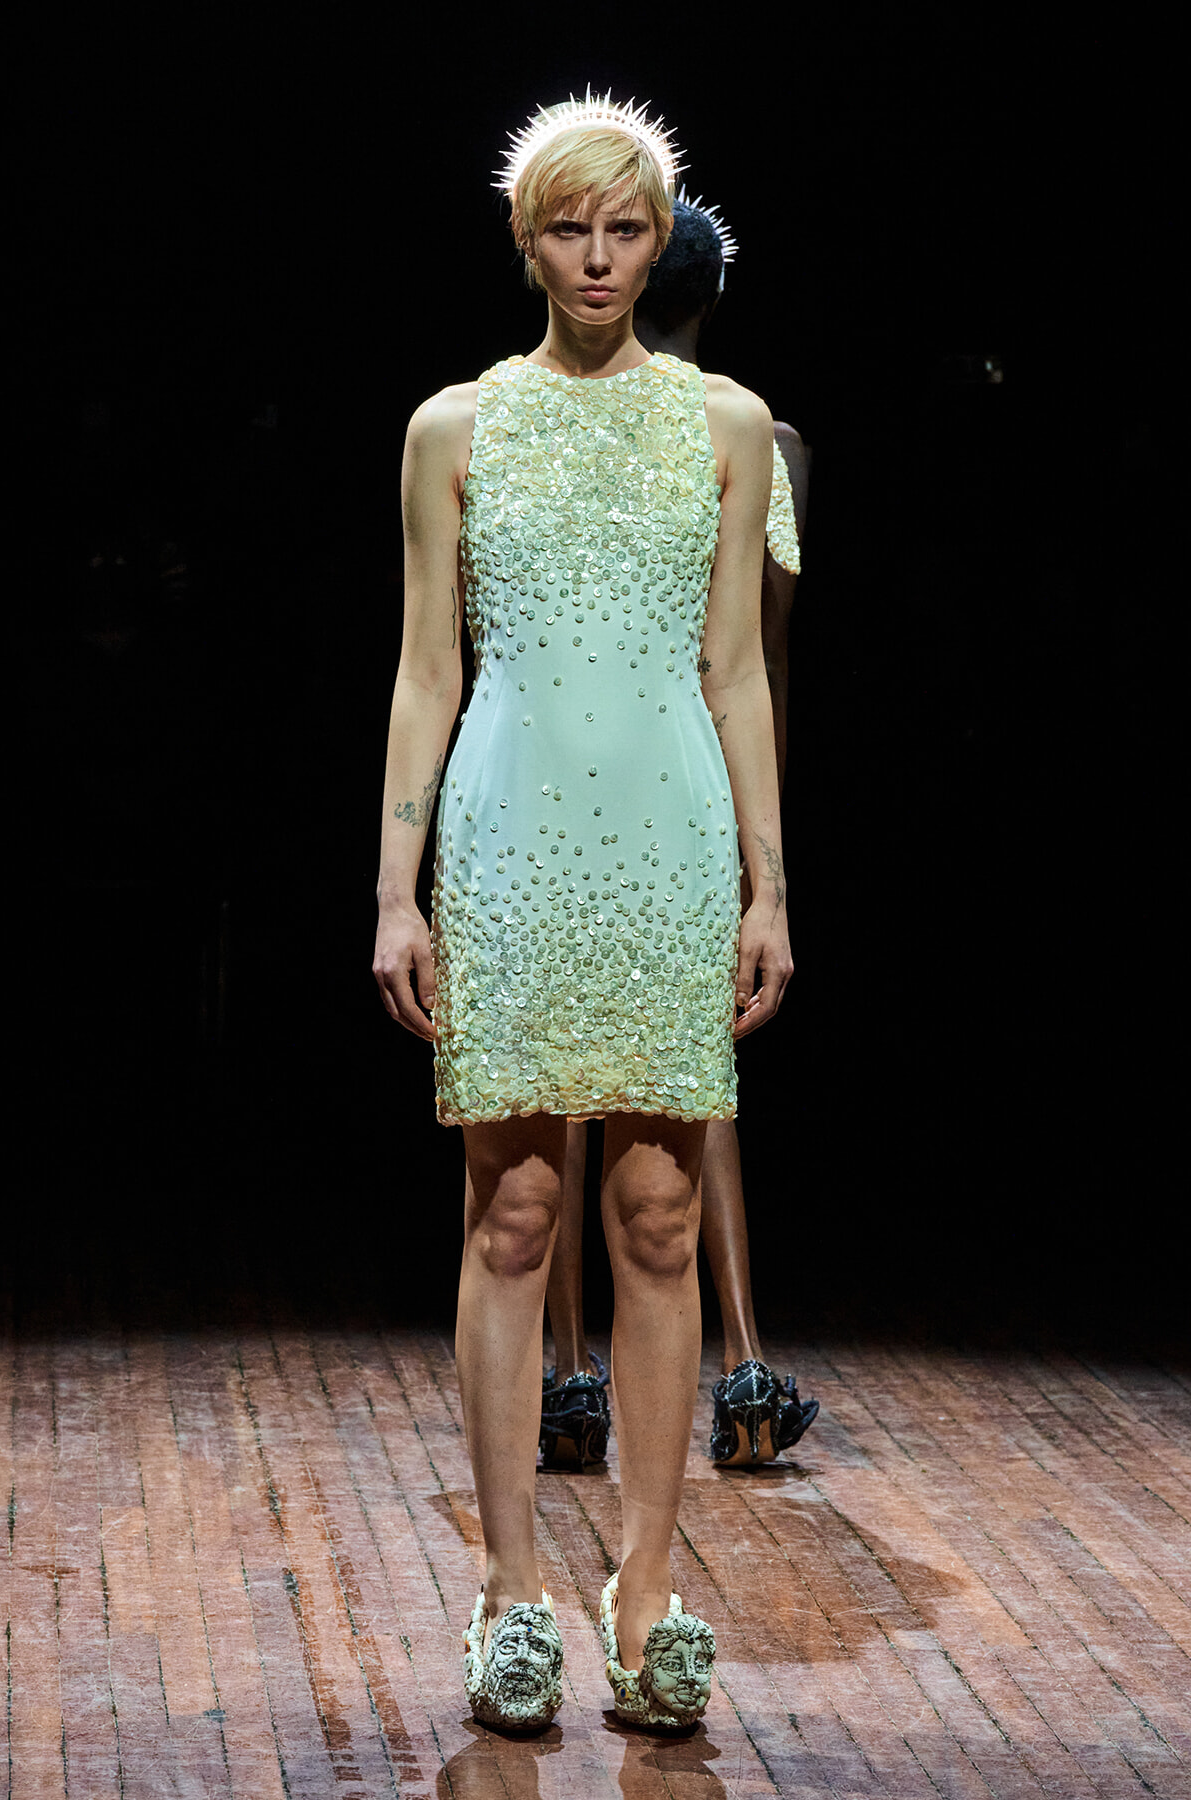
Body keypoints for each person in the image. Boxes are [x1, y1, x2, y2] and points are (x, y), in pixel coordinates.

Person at [373, 93, 792, 1734]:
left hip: (667, 843)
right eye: (570, 231)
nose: (601, 259)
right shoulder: (454, 429)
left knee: (661, 1224)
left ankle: (649, 1586)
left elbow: (737, 668)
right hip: (510, 837)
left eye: (625, 231)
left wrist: (770, 878)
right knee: (517, 1218)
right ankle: (510, 1590)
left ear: (658, 238)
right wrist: (392, 889)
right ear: (527, 241)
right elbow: (426, 667)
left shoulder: (728, 426)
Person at [541, 194, 819, 1471]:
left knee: (565, 1094)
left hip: (594, 761)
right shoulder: (771, 438)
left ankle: (570, 1376)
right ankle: (744, 1357)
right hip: (717, 769)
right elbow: (765, 651)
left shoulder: (548, 434)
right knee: (690, 1090)